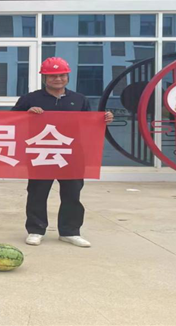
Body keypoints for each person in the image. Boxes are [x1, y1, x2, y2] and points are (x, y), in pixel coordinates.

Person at [12, 57, 113, 248]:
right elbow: (11, 120)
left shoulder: (79, 99)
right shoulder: (30, 99)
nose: (57, 79)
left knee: (72, 194)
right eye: (52, 76)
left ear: (67, 76)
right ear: (44, 78)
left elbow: (90, 123)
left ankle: (70, 231)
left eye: (61, 75)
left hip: (71, 153)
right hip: (41, 152)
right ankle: (36, 230)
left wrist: (104, 119)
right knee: (37, 193)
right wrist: (27, 113)